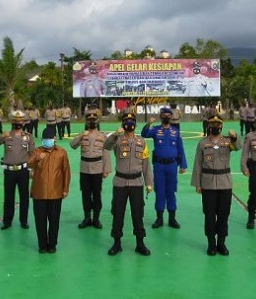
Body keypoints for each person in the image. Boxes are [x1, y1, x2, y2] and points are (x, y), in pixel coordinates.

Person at [103, 113, 153, 256]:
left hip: (137, 183)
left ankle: (140, 243)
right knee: (118, 213)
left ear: (135, 124)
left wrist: (149, 183)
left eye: (131, 121)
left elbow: (146, 164)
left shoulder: (142, 141)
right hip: (120, 183)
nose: (129, 123)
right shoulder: (117, 139)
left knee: (138, 214)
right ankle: (116, 243)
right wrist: (114, 135)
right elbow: (106, 146)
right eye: (126, 121)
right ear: (122, 124)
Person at [192, 115, 238, 256]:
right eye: (213, 124)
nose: (215, 127)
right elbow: (198, 164)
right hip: (208, 184)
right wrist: (198, 184)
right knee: (209, 215)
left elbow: (237, 147)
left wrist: (234, 137)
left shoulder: (227, 142)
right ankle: (211, 244)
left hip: (225, 184)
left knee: (224, 215)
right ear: (208, 126)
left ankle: (221, 244)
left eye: (218, 124)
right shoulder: (202, 143)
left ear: (221, 126)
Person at [141, 107, 187, 229]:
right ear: (161, 117)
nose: (166, 117)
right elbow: (144, 134)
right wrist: (149, 123)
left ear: (171, 117)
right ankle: (159, 218)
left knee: (171, 191)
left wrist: (183, 165)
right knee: (160, 191)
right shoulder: (155, 130)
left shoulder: (175, 132)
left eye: (168, 115)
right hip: (159, 166)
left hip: (172, 166)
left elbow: (180, 149)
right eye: (164, 115)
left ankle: (172, 218)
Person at [27, 126, 71, 253]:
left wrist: (65, 189)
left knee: (54, 220)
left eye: (49, 138)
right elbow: (27, 163)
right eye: (45, 139)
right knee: (40, 221)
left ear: (55, 139)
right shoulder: (36, 151)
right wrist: (37, 158)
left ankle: (52, 245)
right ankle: (42, 245)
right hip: (39, 192)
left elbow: (66, 171)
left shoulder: (61, 152)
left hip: (55, 192)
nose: (47, 141)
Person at [0, 111, 35, 229]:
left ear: (23, 122)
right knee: (8, 197)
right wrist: (2, 136)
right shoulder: (7, 135)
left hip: (23, 171)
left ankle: (23, 220)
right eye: (15, 121)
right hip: (9, 171)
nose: (17, 123)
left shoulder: (28, 136)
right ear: (12, 122)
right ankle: (7, 221)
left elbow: (32, 154)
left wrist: (32, 169)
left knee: (24, 197)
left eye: (20, 121)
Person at [69, 112, 111, 229]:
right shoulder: (82, 135)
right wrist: (82, 135)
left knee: (97, 195)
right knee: (85, 195)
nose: (92, 122)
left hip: (97, 169)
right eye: (89, 120)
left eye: (94, 120)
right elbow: (72, 145)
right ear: (86, 123)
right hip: (85, 169)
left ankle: (96, 218)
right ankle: (87, 218)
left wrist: (106, 169)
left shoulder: (102, 136)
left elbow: (106, 152)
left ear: (97, 122)